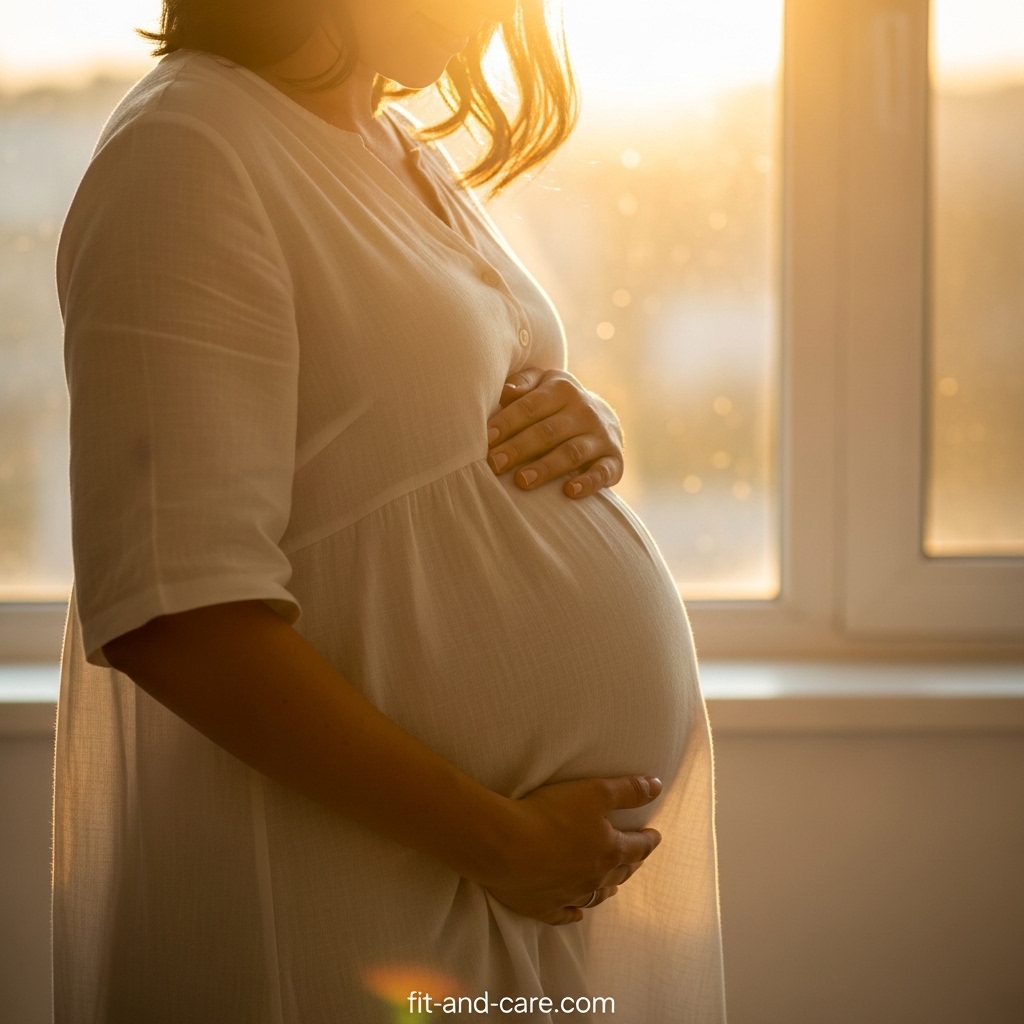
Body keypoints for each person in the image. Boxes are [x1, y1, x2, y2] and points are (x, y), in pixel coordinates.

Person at [53, 1, 726, 1021]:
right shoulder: (185, 153)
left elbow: (415, 413)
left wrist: (579, 415)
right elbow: (172, 611)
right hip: (355, 882)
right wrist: (502, 841)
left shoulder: (390, 139)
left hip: (487, 886)